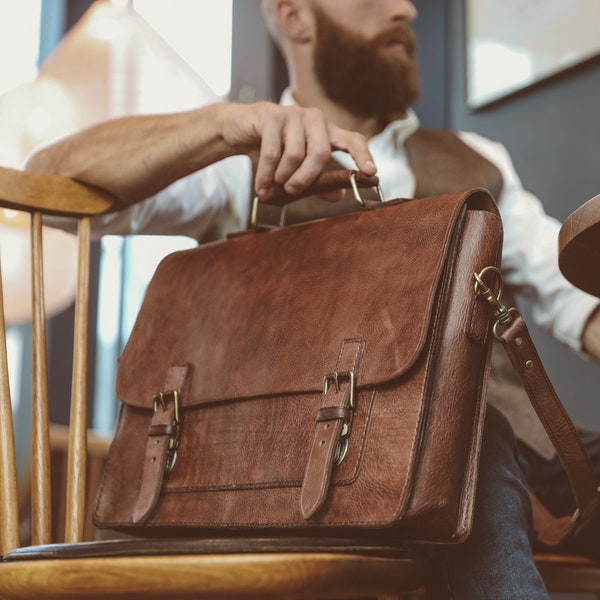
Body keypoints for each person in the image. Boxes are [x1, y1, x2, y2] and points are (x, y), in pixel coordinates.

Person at [24, 0, 600, 597]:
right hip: (335, 458)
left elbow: (573, 302)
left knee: (490, 438)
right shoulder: (236, 158)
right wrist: (223, 128)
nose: (404, 9)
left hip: (540, 452)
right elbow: (53, 181)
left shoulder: (479, 159)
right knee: (468, 440)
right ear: (294, 16)